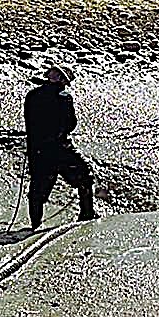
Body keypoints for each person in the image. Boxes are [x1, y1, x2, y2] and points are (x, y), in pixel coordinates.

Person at [21, 66, 96, 228]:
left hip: (36, 149)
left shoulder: (32, 95)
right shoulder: (64, 97)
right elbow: (70, 124)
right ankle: (87, 214)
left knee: (37, 188)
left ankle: (35, 224)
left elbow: (29, 122)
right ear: (62, 80)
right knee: (85, 176)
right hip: (59, 148)